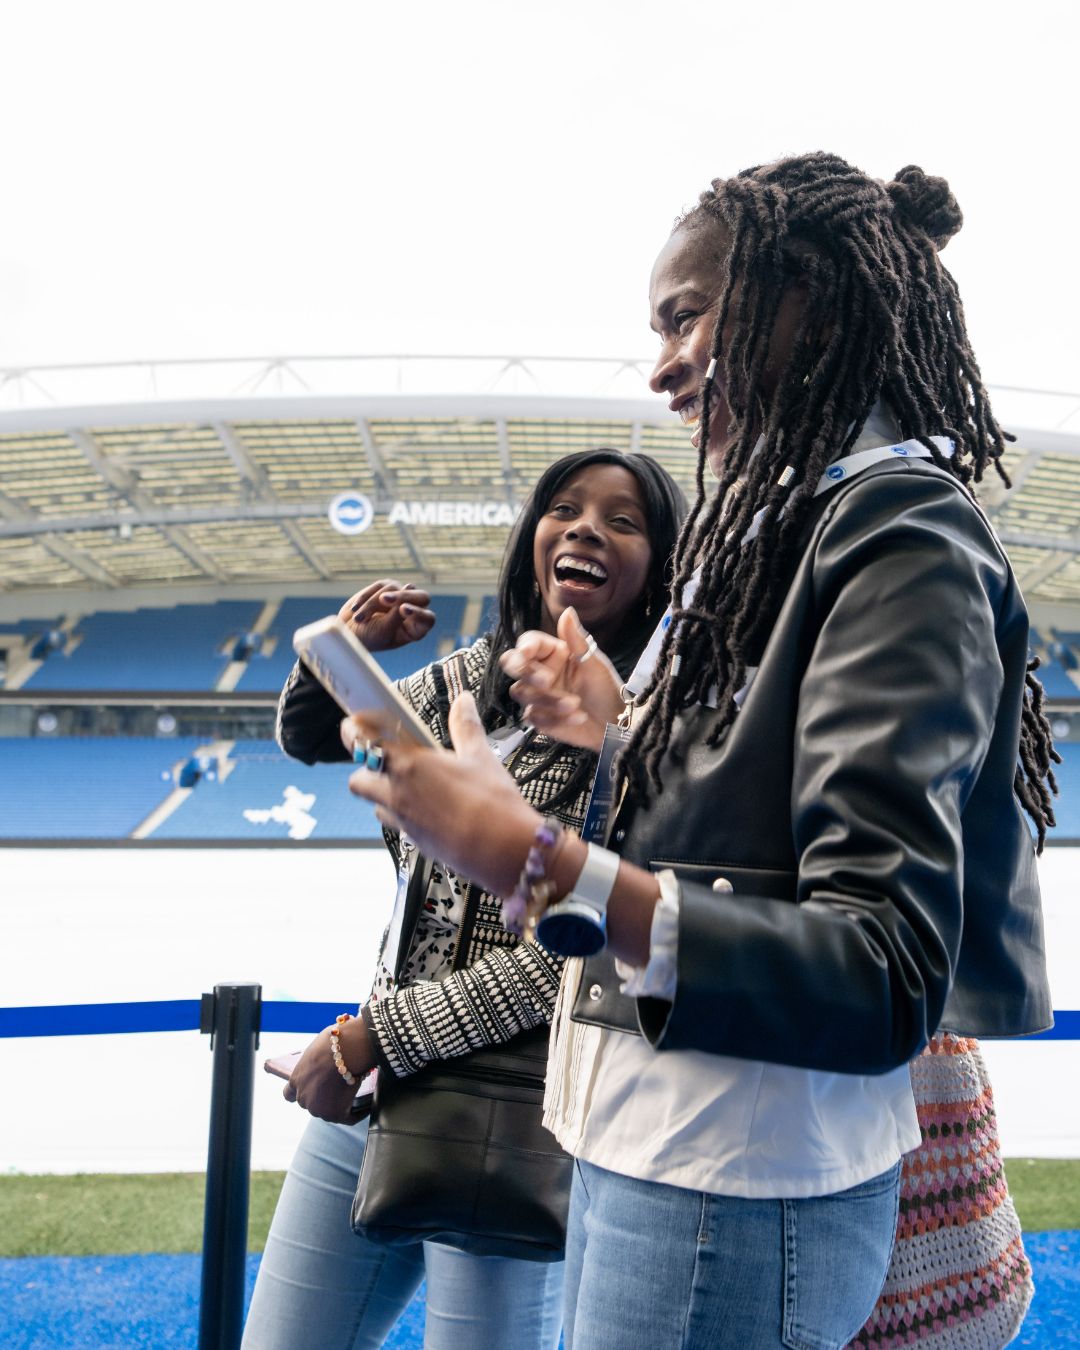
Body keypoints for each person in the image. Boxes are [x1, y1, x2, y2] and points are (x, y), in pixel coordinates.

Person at [344, 153, 1055, 1350]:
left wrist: (534, 859)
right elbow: (756, 832)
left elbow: (879, 959)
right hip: (664, 1146)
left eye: (687, 316)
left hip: (733, 1176)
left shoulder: (902, 536)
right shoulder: (793, 522)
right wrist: (614, 729)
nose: (664, 364)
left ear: (808, 301)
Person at [241, 448, 686, 1350]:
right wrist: (344, 653)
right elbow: (320, 739)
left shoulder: (656, 726)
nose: (587, 527)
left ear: (659, 566)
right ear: (534, 537)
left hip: (517, 1114)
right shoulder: (466, 679)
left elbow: (570, 951)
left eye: (624, 520)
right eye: (565, 508)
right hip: (371, 1088)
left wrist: (374, 1037)